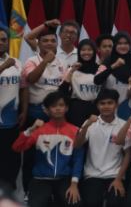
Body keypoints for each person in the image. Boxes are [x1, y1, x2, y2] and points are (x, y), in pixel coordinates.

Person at [12, 91, 84, 207]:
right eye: (54, 106)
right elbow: (17, 147)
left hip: (64, 179)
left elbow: (78, 159)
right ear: (47, 110)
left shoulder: (75, 131)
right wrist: (30, 129)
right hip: (40, 179)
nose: (58, 108)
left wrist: (74, 184)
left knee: (75, 204)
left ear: (66, 108)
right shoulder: (39, 130)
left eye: (61, 105)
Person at [20, 25, 68, 191]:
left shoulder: (62, 63)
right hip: (36, 113)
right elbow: (31, 79)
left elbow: (64, 87)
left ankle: (52, 188)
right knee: (32, 154)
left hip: (56, 114)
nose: (49, 43)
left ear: (57, 43)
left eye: (52, 41)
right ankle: (28, 189)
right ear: (38, 43)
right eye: (45, 41)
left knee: (53, 151)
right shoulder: (31, 61)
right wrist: (45, 61)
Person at [73, 89, 128, 207]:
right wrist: (87, 125)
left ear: (116, 104)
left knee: (115, 203)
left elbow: (127, 154)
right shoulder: (89, 123)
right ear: (97, 106)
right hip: (92, 175)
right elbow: (77, 145)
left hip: (115, 174)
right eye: (102, 103)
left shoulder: (123, 125)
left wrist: (119, 179)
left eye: (110, 103)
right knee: (92, 202)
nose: (106, 106)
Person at [94, 32, 131, 120]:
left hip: (129, 106)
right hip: (108, 107)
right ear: (115, 45)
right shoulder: (107, 61)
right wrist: (113, 66)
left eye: (126, 43)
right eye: (119, 43)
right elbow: (97, 80)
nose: (123, 46)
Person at [0, 26, 23, 190]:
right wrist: (4, 67)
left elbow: (24, 88)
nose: (1, 42)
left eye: (3, 39)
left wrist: (25, 110)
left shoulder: (17, 62)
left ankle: (9, 189)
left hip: (12, 121)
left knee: (12, 157)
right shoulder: (9, 63)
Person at [59, 39, 101, 127]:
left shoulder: (100, 69)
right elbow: (62, 90)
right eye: (83, 50)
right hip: (77, 109)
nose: (86, 52)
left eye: (89, 49)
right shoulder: (73, 69)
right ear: (79, 52)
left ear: (94, 51)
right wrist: (72, 71)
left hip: (96, 108)